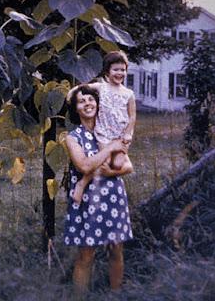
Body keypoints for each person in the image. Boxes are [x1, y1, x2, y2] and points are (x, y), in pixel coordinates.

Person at [64, 84, 133, 296]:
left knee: (115, 251)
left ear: (98, 103)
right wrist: (110, 149)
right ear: (76, 108)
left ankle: (115, 295)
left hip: (112, 197)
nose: (88, 104)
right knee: (86, 255)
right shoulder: (72, 137)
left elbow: (128, 166)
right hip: (87, 200)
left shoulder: (110, 129)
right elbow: (84, 165)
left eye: (91, 99)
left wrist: (108, 172)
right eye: (82, 101)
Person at [68, 50, 136, 204]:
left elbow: (132, 116)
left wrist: (127, 134)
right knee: (103, 160)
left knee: (118, 164)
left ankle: (105, 179)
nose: (120, 73)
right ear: (107, 71)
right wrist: (72, 92)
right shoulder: (101, 87)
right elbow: (83, 87)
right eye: (116, 70)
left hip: (120, 136)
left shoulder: (128, 94)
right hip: (104, 132)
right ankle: (83, 184)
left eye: (123, 70)